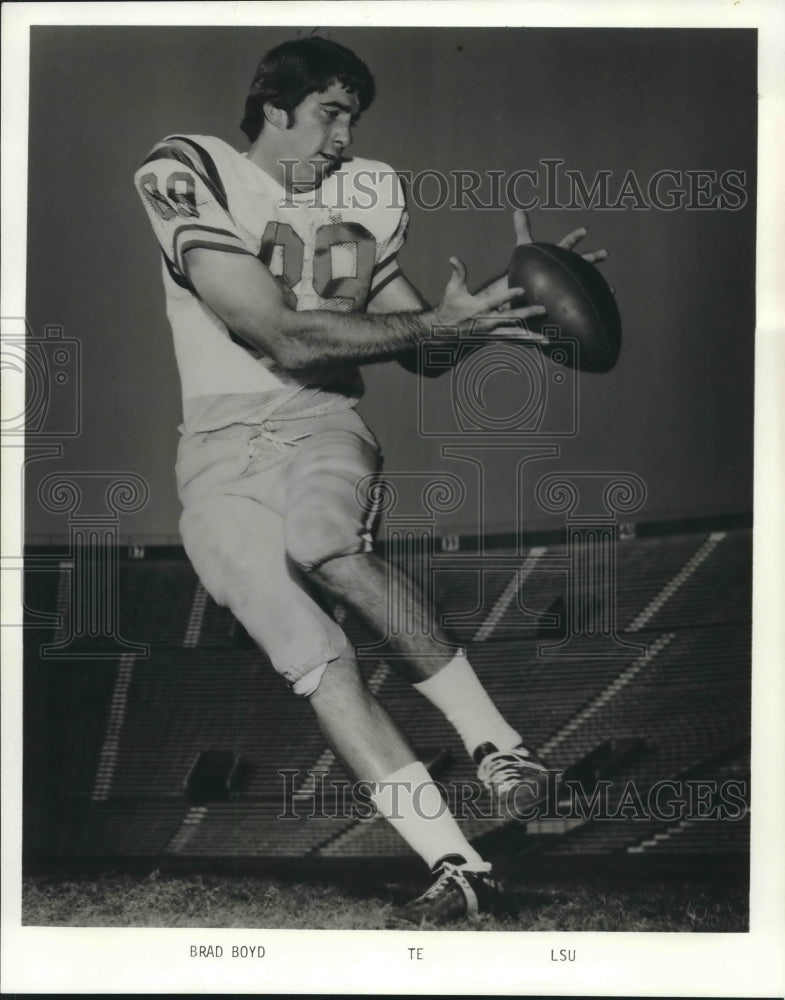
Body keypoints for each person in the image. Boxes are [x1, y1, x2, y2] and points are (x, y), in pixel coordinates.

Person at [134, 36, 607, 927]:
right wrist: (436, 323)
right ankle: (460, 867)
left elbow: (419, 347)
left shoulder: (368, 192)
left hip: (319, 421)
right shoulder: (184, 167)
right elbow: (277, 333)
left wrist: (503, 306)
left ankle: (500, 749)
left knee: (321, 540)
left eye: (353, 118)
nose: (345, 139)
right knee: (306, 655)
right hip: (214, 449)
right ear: (274, 108)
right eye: (330, 114)